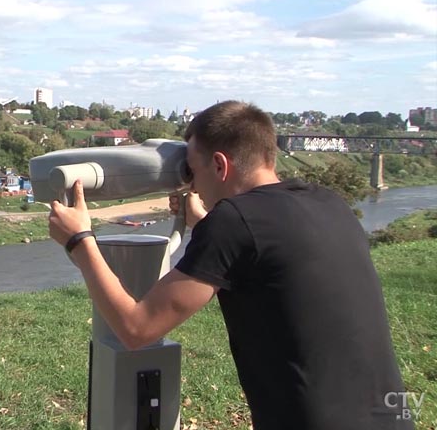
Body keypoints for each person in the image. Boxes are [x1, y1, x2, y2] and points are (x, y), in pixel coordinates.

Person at [48, 101, 411, 430]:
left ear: (220, 165)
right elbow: (265, 250)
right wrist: (202, 225)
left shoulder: (232, 223)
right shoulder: (328, 203)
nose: (192, 184)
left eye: (191, 170)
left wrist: (79, 239)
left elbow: (136, 329)